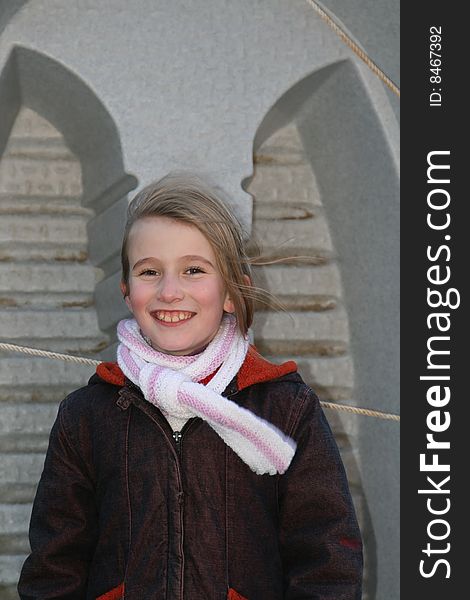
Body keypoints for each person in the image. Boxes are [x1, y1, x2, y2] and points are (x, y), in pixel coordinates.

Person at [18, 173, 363, 599]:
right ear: (127, 292)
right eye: (149, 272)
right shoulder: (86, 416)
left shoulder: (286, 409)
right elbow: (54, 566)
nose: (170, 291)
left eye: (194, 270)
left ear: (232, 292)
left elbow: (328, 562)